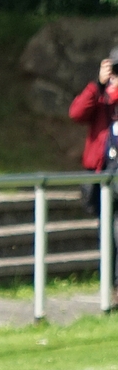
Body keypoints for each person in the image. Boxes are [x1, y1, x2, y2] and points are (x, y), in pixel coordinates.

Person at [69, 48, 118, 305]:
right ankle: (109, 286)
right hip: (101, 173)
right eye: (115, 70)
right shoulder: (100, 97)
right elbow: (76, 113)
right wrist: (97, 84)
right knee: (106, 233)